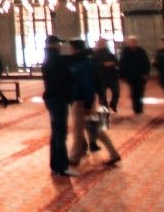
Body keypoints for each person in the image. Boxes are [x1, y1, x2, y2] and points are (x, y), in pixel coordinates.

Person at [68, 39, 121, 167]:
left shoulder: (82, 64)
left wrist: (87, 102)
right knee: (95, 129)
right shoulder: (86, 62)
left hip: (82, 101)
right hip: (86, 100)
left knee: (78, 129)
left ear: (75, 49)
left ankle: (74, 157)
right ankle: (113, 153)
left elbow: (87, 84)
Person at [42, 36, 75, 177]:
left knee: (56, 133)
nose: (61, 45)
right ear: (54, 45)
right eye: (59, 43)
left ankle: (55, 165)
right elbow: (68, 78)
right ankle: (62, 167)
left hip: (52, 98)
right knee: (60, 134)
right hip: (59, 99)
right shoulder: (56, 60)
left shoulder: (48, 59)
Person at [118, 36, 151, 115]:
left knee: (140, 92)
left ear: (136, 42)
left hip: (141, 75)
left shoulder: (141, 51)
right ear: (128, 43)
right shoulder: (125, 52)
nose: (132, 43)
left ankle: (140, 108)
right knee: (134, 92)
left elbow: (146, 62)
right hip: (131, 76)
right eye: (131, 42)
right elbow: (122, 64)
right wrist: (122, 76)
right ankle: (136, 109)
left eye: (134, 42)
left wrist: (146, 73)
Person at [91, 38, 119, 111]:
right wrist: (104, 64)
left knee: (116, 92)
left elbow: (116, 61)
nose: (103, 44)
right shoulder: (94, 53)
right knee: (102, 95)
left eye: (104, 43)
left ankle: (113, 104)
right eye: (101, 43)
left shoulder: (108, 52)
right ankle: (105, 110)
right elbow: (93, 64)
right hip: (101, 77)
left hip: (112, 76)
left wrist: (112, 63)